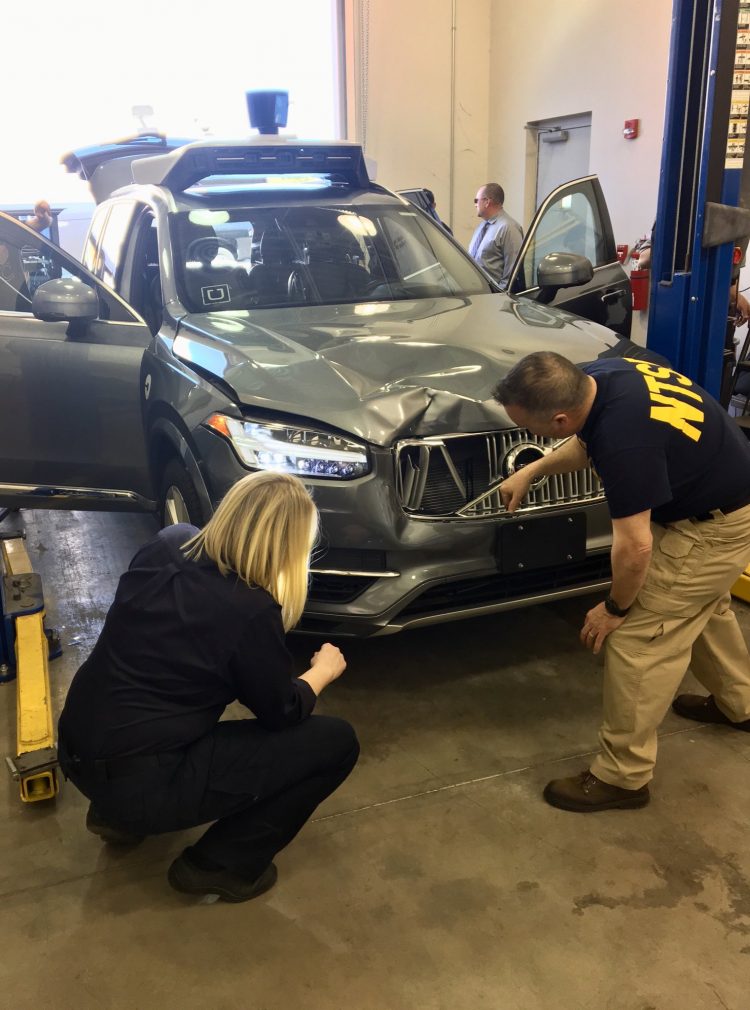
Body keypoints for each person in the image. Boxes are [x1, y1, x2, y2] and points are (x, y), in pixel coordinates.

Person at [57, 471, 359, 902]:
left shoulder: (168, 542)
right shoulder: (251, 609)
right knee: (336, 743)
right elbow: (282, 712)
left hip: (75, 748)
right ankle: (220, 865)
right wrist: (322, 672)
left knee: (149, 704)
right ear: (290, 549)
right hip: (137, 782)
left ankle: (116, 817)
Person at [493, 351, 750, 813]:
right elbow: (585, 440)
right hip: (723, 500)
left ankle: (622, 777)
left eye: (532, 429)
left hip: (712, 526)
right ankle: (742, 705)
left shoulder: (625, 441)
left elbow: (635, 549)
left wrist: (613, 609)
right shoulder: (601, 376)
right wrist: (531, 470)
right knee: (700, 609)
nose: (531, 437)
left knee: (640, 638)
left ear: (559, 416)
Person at [468, 183, 523, 290]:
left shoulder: (509, 228)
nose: (475, 204)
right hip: (476, 293)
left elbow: (512, 273)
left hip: (493, 297)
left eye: (476, 200)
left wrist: (499, 296)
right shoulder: (482, 227)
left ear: (487, 202)